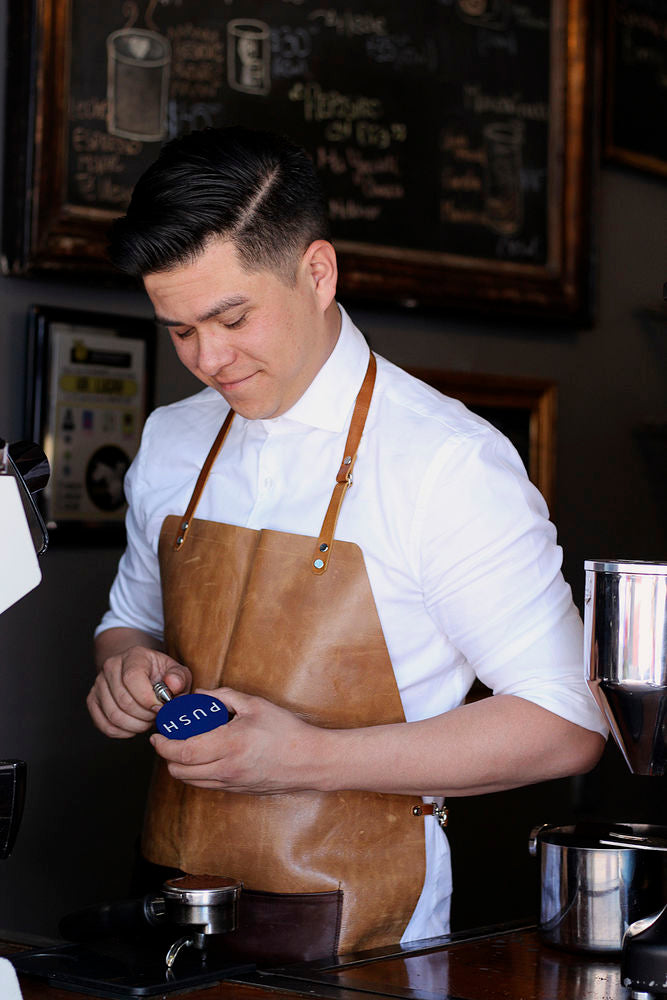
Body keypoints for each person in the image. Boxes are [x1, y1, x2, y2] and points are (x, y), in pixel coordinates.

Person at [88, 125, 606, 962]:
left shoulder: (446, 462)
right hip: (169, 906)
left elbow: (566, 719)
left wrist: (309, 758)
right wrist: (123, 668)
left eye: (230, 318)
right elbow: (128, 619)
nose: (208, 359)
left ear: (317, 273)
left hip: (363, 939)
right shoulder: (172, 438)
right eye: (179, 330)